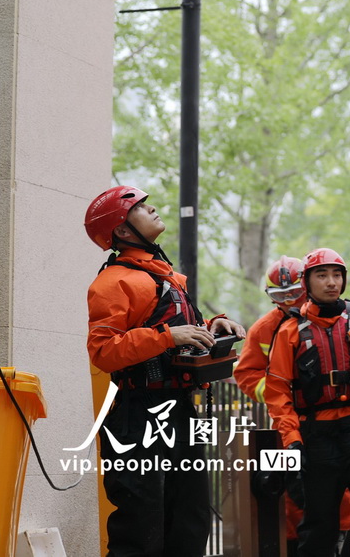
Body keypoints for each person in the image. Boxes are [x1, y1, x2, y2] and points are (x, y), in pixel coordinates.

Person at [84, 185, 247, 557]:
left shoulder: (164, 276)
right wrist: (166, 336)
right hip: (137, 414)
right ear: (123, 231)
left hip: (177, 411)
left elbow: (175, 330)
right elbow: (103, 351)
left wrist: (213, 325)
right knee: (141, 527)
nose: (152, 208)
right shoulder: (112, 283)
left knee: (190, 520)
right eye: (140, 207)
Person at [265, 248, 350, 557]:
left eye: (337, 275)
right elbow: (277, 394)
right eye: (322, 275)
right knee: (318, 530)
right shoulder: (289, 332)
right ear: (307, 283)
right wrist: (292, 440)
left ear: (344, 281)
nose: (331, 282)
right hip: (317, 441)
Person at [235, 255, 350, 556]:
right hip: (286, 425)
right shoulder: (265, 329)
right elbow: (246, 373)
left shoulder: (339, 318)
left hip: (330, 420)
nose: (289, 301)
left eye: (294, 293)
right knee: (293, 495)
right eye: (280, 296)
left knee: (342, 490)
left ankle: (346, 542)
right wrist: (279, 394)